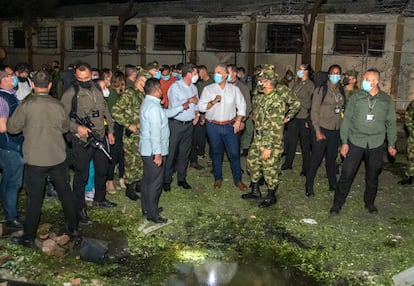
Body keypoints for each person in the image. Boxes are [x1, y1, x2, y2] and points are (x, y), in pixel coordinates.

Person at [8, 71, 78, 247]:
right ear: (50, 85)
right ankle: (74, 228)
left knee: (34, 200)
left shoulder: (26, 105)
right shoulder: (57, 105)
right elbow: (64, 128)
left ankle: (28, 237)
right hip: (57, 158)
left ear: (32, 85)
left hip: (35, 160)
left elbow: (12, 128)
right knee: (66, 195)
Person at [330, 68, 397, 214]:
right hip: (356, 141)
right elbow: (347, 120)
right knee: (347, 173)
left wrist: (391, 143)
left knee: (372, 175)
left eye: (367, 79)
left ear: (375, 82)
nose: (364, 82)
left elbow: (391, 123)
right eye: (364, 79)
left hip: (376, 142)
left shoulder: (386, 100)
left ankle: (369, 203)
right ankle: (337, 204)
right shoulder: (356, 98)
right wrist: (344, 142)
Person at [61, 63, 116, 225]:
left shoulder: (96, 88)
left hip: (100, 135)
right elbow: (62, 117)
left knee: (102, 169)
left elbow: (105, 109)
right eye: (80, 78)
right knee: (82, 175)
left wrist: (110, 131)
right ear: (76, 77)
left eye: (87, 77)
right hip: (82, 140)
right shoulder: (71, 92)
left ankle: (100, 198)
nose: (84, 80)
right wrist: (77, 127)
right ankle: (79, 208)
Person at [241, 65, 300, 207]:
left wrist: (268, 147)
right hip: (258, 136)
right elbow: (256, 107)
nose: (259, 81)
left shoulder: (277, 98)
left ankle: (271, 195)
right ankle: (255, 191)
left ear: (268, 81)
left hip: (271, 140)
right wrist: (255, 114)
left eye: (262, 79)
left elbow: (276, 127)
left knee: (269, 168)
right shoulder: (261, 94)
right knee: (252, 162)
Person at [140, 78, 188, 223]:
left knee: (147, 180)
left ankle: (147, 207)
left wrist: (181, 107)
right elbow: (155, 132)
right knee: (155, 183)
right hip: (154, 151)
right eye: (161, 88)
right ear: (157, 90)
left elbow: (165, 114)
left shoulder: (150, 103)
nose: (163, 91)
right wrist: (158, 154)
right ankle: (153, 214)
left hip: (147, 150)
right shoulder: (153, 107)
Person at [199, 64, 247, 191]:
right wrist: (213, 101)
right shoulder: (208, 89)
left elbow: (242, 105)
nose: (216, 75)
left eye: (219, 72)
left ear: (226, 75)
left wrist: (238, 121)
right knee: (216, 153)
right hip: (213, 126)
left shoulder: (234, 90)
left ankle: (238, 180)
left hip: (230, 126)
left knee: (234, 153)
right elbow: (201, 107)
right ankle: (217, 178)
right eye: (215, 72)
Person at [305, 64, 345, 197]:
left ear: (340, 76)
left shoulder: (341, 91)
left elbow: (342, 111)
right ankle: (309, 186)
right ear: (328, 75)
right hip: (322, 129)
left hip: (335, 130)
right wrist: (317, 131)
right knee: (316, 159)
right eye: (333, 73)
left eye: (337, 73)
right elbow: (314, 112)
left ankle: (332, 183)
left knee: (331, 159)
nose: (335, 75)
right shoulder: (321, 90)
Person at [112, 70, 151, 200]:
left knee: (140, 160)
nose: (145, 85)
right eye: (144, 81)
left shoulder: (143, 94)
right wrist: (128, 124)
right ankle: (129, 187)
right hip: (132, 135)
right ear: (139, 80)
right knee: (131, 162)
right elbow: (115, 111)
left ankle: (138, 183)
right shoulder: (130, 93)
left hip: (143, 133)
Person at [163, 64, 199, 191]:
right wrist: (189, 100)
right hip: (176, 124)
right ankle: (166, 180)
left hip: (189, 125)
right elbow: (175, 105)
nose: (196, 76)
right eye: (195, 73)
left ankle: (181, 178)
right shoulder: (176, 87)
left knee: (185, 153)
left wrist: (197, 114)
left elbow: (196, 104)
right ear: (188, 74)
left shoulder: (194, 88)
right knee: (171, 152)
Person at [0, 69, 24, 229]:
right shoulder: (3, 99)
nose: (13, 77)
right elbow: (2, 127)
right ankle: (11, 218)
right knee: (14, 182)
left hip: (11, 144)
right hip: (9, 146)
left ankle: (9, 209)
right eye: (10, 76)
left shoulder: (9, 95)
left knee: (8, 179)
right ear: (3, 80)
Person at [282, 64, 314, 175]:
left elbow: (313, 103)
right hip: (294, 116)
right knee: (291, 141)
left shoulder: (311, 85)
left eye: (301, 69)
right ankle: (288, 163)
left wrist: (309, 119)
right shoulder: (296, 84)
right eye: (299, 69)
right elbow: (291, 99)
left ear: (307, 71)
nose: (299, 71)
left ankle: (306, 168)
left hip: (304, 116)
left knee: (304, 144)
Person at [105, 70, 126, 192]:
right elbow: (112, 113)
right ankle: (110, 181)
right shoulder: (112, 95)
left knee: (122, 153)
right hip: (114, 126)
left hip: (122, 126)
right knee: (114, 153)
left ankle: (122, 177)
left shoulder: (122, 94)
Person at [189, 65, 213, 169]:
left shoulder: (213, 83)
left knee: (211, 137)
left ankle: (209, 156)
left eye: (198, 73)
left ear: (203, 72)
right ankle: (196, 156)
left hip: (212, 113)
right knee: (198, 135)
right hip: (200, 113)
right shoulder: (197, 85)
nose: (197, 76)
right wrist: (200, 114)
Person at [226, 64, 252, 157]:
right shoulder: (224, 86)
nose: (225, 74)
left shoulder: (242, 87)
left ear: (235, 73)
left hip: (236, 119)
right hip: (225, 119)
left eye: (228, 72)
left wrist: (241, 120)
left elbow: (248, 106)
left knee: (234, 144)